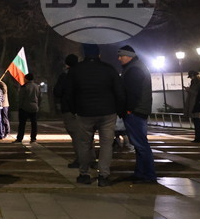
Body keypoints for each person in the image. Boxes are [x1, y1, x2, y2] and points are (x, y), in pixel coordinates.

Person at [66, 43, 125, 186]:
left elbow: (69, 93)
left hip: (84, 112)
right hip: (107, 111)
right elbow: (119, 91)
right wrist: (120, 110)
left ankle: (84, 173)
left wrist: (74, 109)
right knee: (106, 144)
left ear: (84, 54)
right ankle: (103, 175)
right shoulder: (109, 69)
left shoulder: (76, 70)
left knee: (84, 144)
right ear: (99, 54)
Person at [117, 45, 156, 183]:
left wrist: (128, 109)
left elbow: (132, 93)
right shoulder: (137, 67)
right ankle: (141, 173)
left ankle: (148, 174)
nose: (119, 58)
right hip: (139, 110)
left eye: (121, 55)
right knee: (140, 145)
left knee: (141, 145)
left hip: (135, 111)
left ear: (129, 56)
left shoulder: (133, 69)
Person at [54, 55, 87, 168]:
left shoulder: (65, 76)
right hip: (84, 108)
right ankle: (90, 158)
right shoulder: (83, 73)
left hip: (69, 109)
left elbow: (57, 92)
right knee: (86, 135)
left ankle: (81, 159)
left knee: (76, 136)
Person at [14, 73, 41, 143]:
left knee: (22, 124)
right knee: (34, 124)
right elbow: (39, 97)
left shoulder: (24, 87)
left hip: (25, 107)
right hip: (34, 107)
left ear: (26, 79)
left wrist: (20, 106)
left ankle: (19, 138)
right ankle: (33, 138)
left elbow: (21, 98)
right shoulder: (37, 86)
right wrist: (38, 105)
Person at [183, 71, 200, 144]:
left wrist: (189, 90)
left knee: (197, 120)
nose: (190, 78)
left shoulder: (198, 83)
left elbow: (197, 93)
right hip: (193, 103)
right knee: (197, 121)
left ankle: (199, 137)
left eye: (191, 76)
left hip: (195, 104)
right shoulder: (196, 82)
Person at [0, 75, 10, 140]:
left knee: (4, 118)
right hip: (2, 103)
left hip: (3, 104)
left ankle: (7, 132)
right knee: (1, 119)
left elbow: (4, 91)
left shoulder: (1, 84)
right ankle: (2, 132)